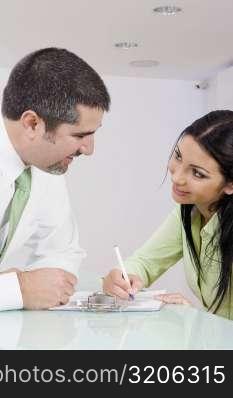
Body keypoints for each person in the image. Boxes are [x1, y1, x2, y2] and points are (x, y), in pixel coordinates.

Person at [0, 47, 110, 311]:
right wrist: (19, 289)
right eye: (80, 136)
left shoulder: (45, 166)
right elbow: (23, 289)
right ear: (32, 124)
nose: (89, 149)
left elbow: (62, 251)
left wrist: (41, 286)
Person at [103, 110, 233, 320]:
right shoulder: (191, 211)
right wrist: (122, 277)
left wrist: (194, 318)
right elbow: (145, 262)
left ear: (230, 184)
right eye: (178, 156)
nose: (177, 177)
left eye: (197, 173)